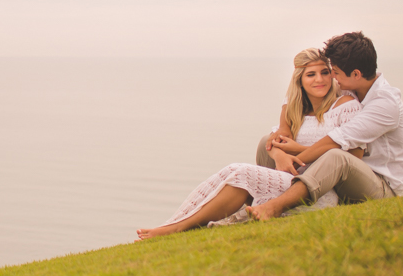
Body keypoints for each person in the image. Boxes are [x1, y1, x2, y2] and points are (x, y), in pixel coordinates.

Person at [136, 48, 365, 239]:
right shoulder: (296, 110)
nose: (319, 79)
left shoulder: (345, 106)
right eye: (311, 75)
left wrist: (298, 152)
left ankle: (178, 227)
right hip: (289, 179)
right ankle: (172, 223)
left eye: (325, 73)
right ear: (300, 81)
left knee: (242, 173)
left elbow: (350, 158)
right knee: (230, 171)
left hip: (318, 190)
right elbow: (274, 140)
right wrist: (279, 155)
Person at [247, 31, 403, 221]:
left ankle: (275, 206)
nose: (331, 76)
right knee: (267, 142)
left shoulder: (385, 104)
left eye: (335, 72)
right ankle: (259, 201)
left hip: (381, 188)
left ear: (356, 74)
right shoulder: (353, 85)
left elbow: (337, 141)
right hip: (346, 180)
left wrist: (290, 158)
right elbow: (297, 92)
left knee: (336, 157)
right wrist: (283, 128)